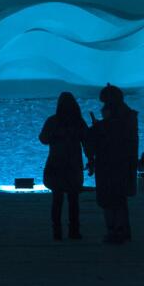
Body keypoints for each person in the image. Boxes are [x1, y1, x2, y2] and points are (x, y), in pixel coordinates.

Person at [87, 83, 139, 244]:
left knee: (109, 201)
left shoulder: (111, 123)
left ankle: (114, 231)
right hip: (124, 165)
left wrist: (98, 128)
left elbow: (101, 141)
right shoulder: (129, 117)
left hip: (108, 166)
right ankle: (122, 230)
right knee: (119, 200)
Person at [38, 91, 88, 241]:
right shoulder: (78, 121)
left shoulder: (52, 121)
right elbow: (87, 142)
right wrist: (91, 160)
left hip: (56, 163)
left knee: (57, 199)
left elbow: (43, 139)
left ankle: (57, 232)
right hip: (73, 164)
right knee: (73, 200)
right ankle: (74, 230)